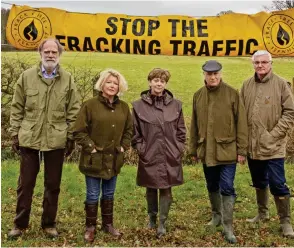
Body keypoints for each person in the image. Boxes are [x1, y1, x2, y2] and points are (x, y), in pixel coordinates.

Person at [8, 38, 80, 239]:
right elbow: (17, 107)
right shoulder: (26, 77)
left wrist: (70, 136)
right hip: (29, 138)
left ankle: (49, 224)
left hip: (56, 139)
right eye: (46, 51)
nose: (50, 55)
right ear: (40, 53)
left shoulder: (67, 79)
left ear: (59, 55)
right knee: (26, 183)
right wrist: (15, 133)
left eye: (54, 52)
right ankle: (19, 224)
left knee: (53, 184)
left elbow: (74, 109)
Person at [240, 50, 294, 238]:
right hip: (253, 146)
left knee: (278, 184)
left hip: (274, 147)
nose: (260, 66)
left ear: (271, 63)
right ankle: (263, 213)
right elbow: (240, 115)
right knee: (259, 181)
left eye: (264, 62)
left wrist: (272, 136)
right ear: (253, 64)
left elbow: (291, 114)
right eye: (257, 62)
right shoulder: (246, 85)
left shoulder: (281, 85)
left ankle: (285, 222)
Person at [188, 60, 248, 244]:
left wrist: (242, 150)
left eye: (216, 74)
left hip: (227, 151)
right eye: (209, 74)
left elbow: (242, 123)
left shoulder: (232, 94)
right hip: (206, 151)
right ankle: (216, 216)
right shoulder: (198, 95)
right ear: (204, 75)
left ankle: (228, 226)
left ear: (220, 74)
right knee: (211, 185)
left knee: (227, 186)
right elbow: (194, 125)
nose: (213, 77)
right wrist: (193, 150)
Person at [73, 68, 133, 243]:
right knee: (92, 194)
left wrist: (124, 146)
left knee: (109, 193)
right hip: (94, 159)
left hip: (113, 159)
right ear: (102, 84)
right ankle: (90, 227)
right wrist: (90, 147)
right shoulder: (89, 105)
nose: (112, 86)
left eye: (115, 83)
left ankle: (108, 225)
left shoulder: (123, 107)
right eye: (109, 82)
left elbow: (129, 130)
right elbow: (78, 131)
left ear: (119, 86)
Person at [132, 68, 186, 238]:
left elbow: (181, 131)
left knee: (166, 188)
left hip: (170, 154)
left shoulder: (176, 105)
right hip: (149, 153)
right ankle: (152, 218)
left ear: (166, 83)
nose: (158, 83)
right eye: (155, 80)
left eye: (162, 81)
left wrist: (178, 148)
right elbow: (135, 133)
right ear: (149, 82)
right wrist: (142, 149)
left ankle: (162, 221)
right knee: (150, 188)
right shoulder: (138, 106)